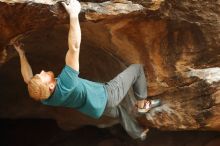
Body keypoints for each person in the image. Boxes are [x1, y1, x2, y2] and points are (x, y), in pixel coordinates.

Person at [12, 0, 160, 140]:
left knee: (119, 111)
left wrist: (21, 54)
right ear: (51, 86)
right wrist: (74, 14)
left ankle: (138, 133)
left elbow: (27, 79)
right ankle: (142, 106)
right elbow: (74, 48)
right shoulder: (66, 83)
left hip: (94, 109)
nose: (42, 71)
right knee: (137, 69)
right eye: (42, 75)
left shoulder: (43, 97)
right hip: (106, 96)